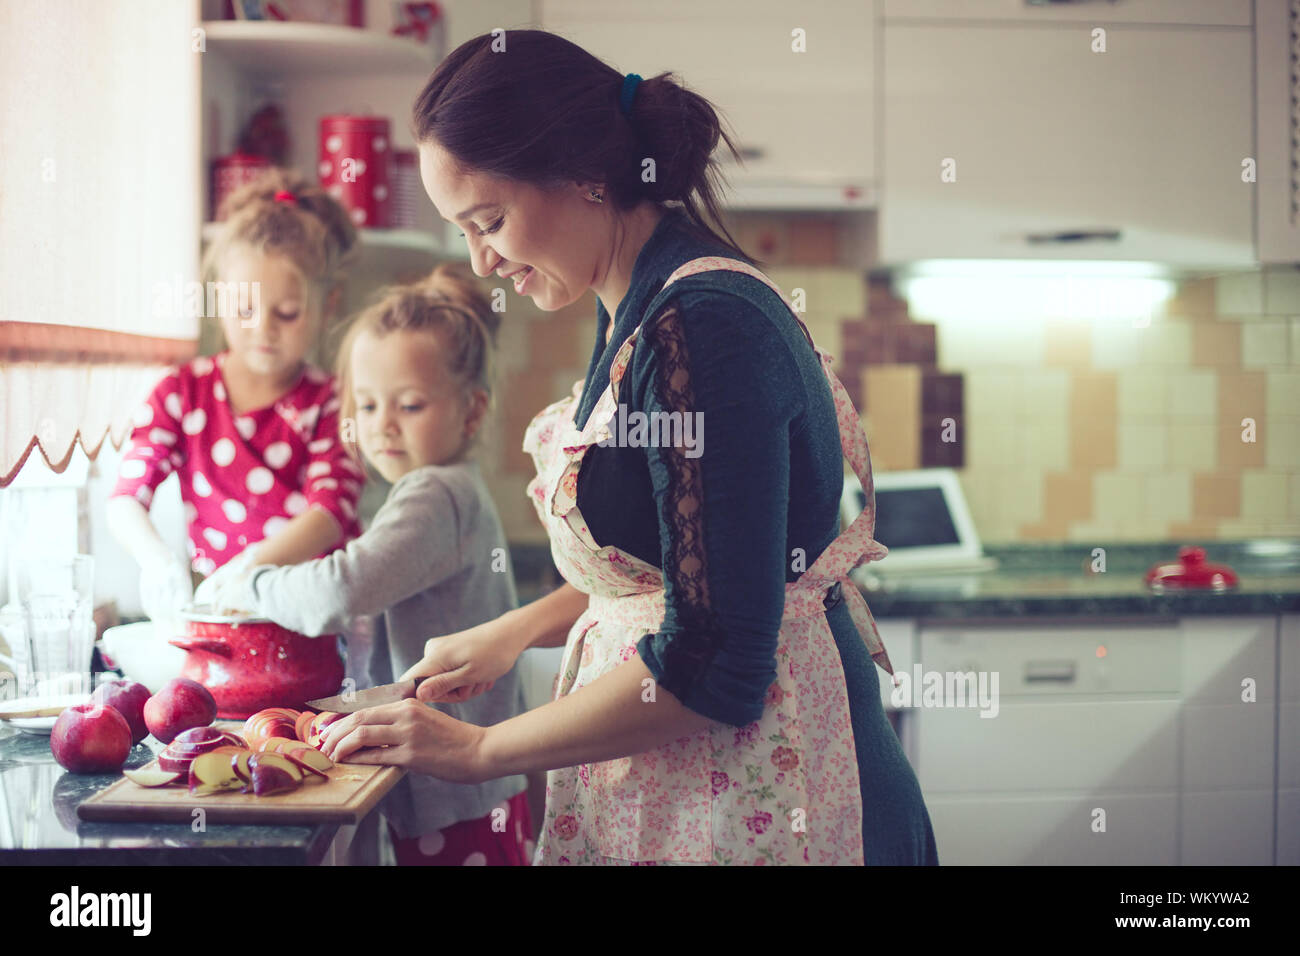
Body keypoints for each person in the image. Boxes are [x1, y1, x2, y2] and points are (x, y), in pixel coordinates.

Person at [320, 28, 940, 866]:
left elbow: (714, 659)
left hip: (773, 793)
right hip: (704, 790)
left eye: (490, 220)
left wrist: (474, 751)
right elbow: (688, 560)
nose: (482, 259)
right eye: (463, 230)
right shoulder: (637, 306)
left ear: (584, 175)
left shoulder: (702, 326)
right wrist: (515, 632)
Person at [201, 264, 532, 866]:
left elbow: (342, 588)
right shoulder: (435, 488)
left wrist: (249, 580)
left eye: (408, 405)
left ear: (473, 410)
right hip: (454, 787)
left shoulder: (435, 495)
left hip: (454, 795)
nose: (382, 424)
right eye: (370, 403)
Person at [107, 169, 365, 623]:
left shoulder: (332, 402)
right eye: (243, 309)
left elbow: (330, 512)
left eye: (286, 313)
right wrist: (157, 560)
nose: (261, 328)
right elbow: (126, 496)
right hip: (222, 612)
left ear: (327, 305)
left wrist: (249, 569)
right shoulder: (182, 392)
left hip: (314, 617)